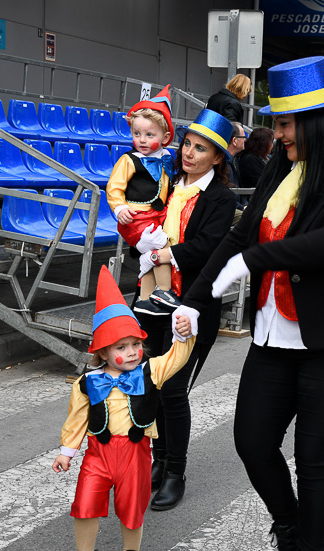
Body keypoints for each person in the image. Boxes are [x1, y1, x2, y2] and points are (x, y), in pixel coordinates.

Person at [185, 56, 324, 551]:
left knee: (314, 460)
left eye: (284, 125)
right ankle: (290, 531)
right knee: (252, 443)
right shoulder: (280, 165)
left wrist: (254, 259)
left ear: (318, 119)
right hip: (274, 335)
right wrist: (193, 301)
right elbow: (240, 235)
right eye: (274, 124)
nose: (274, 134)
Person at [52, 267, 196, 551]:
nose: (131, 352)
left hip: (135, 452)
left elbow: (177, 357)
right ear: (102, 351)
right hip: (97, 454)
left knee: (132, 505)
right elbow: (77, 418)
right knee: (86, 503)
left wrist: (184, 333)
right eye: (121, 347)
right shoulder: (87, 382)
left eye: (135, 344)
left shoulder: (150, 371)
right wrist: (67, 451)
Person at [135, 107, 237, 511]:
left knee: (174, 390)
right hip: (152, 302)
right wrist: (142, 244)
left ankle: (175, 471)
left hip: (193, 305)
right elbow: (140, 230)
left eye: (201, 149)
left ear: (217, 158)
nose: (190, 154)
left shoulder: (221, 197)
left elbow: (210, 248)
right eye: (187, 146)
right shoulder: (167, 186)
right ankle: (158, 462)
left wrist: (166, 253)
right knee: (151, 386)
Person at [106, 89, 179, 315]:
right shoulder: (129, 159)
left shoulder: (167, 157)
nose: (142, 140)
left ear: (166, 138)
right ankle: (165, 291)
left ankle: (145, 300)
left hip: (157, 215)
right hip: (136, 218)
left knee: (150, 257)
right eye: (137, 134)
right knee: (162, 247)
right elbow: (114, 186)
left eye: (149, 135)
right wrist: (119, 208)